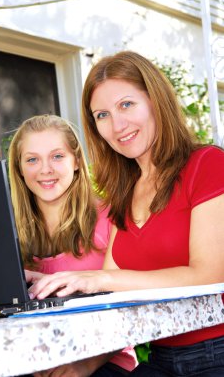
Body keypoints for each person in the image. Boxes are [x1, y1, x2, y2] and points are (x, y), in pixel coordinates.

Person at [26, 52, 224, 377]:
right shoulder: (125, 191)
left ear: (155, 100)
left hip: (216, 353)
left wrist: (101, 278)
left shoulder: (207, 164)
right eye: (102, 115)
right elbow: (110, 290)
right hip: (159, 359)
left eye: (126, 105)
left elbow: (211, 275)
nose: (117, 125)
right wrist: (53, 284)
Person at [8, 114, 137, 377]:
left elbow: (131, 307)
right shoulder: (8, 229)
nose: (45, 169)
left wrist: (85, 364)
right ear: (20, 168)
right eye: (32, 159)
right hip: (31, 362)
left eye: (57, 156)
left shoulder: (113, 218)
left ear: (76, 161)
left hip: (102, 359)